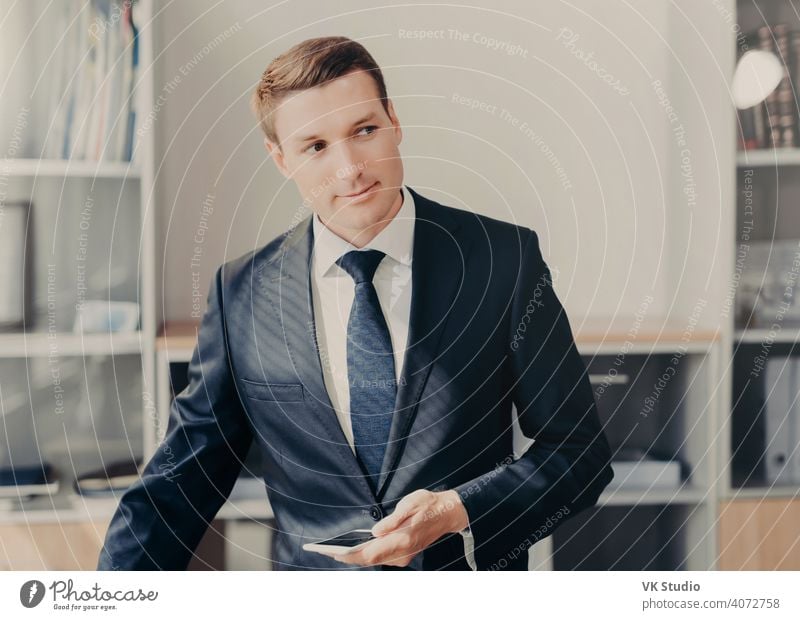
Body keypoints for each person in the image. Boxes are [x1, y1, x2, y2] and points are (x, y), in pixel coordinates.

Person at [97, 35, 613, 571]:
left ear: (393, 120)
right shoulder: (241, 295)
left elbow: (580, 454)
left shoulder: (503, 261)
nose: (349, 169)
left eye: (363, 130)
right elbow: (180, 483)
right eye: (315, 146)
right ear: (281, 159)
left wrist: (459, 510)